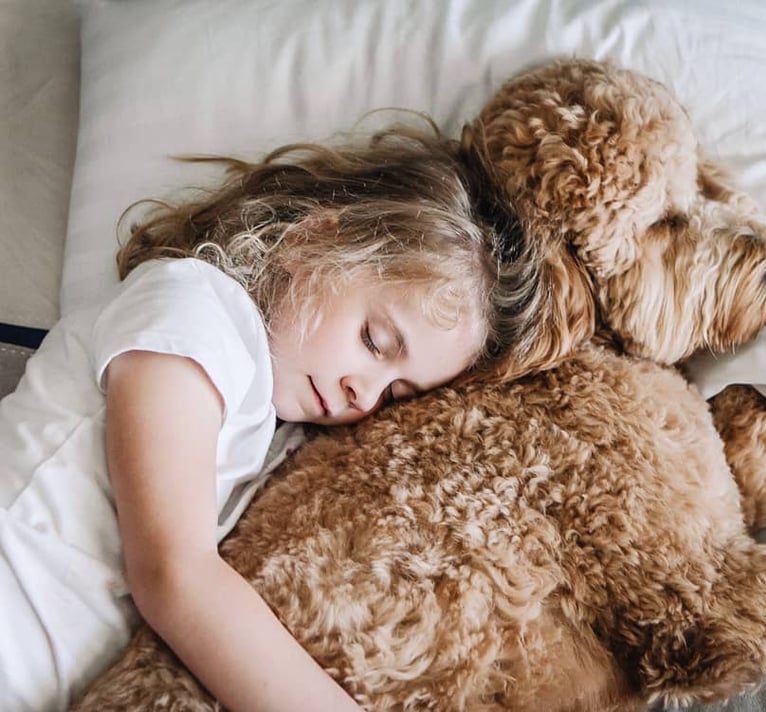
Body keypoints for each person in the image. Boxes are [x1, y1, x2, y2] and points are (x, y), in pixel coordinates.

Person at [0, 126, 538, 711]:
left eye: (398, 392)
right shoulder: (192, 311)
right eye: (374, 340)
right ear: (311, 242)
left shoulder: (276, 431)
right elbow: (174, 577)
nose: (366, 393)